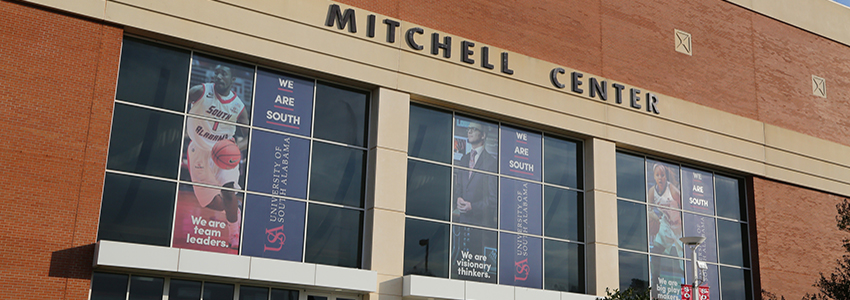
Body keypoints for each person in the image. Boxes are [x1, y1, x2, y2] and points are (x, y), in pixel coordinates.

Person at [185, 64, 249, 248]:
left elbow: (249, 135)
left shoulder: (238, 107)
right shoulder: (200, 92)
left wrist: (237, 147)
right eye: (217, 73)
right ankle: (234, 210)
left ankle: (234, 234)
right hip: (198, 150)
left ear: (232, 80)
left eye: (224, 74)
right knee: (212, 203)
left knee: (228, 191)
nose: (219, 76)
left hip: (223, 150)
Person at [453, 122, 498, 228]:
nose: (469, 132)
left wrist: (472, 207)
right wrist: (458, 198)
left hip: (481, 225)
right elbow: (459, 186)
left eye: (474, 129)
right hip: (463, 221)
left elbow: (493, 199)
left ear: (483, 135)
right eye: (468, 129)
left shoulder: (491, 163)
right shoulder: (464, 159)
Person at [646, 163, 683, 257]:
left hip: (678, 226)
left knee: (684, 263)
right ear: (654, 177)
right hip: (666, 223)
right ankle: (654, 272)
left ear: (666, 177)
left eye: (662, 175)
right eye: (657, 175)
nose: (660, 178)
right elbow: (648, 209)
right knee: (655, 252)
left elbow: (685, 207)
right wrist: (655, 219)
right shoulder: (652, 191)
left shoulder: (673, 191)